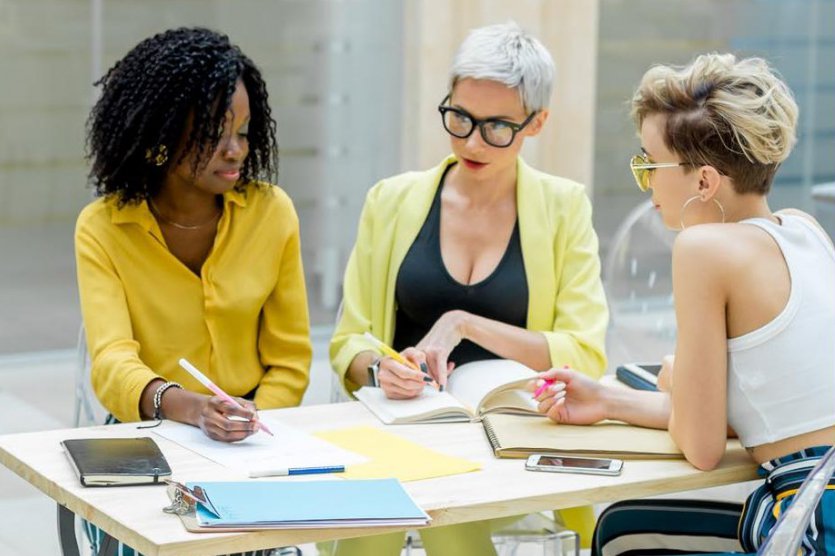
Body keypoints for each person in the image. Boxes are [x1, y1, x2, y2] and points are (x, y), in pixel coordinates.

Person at [535, 53, 835, 555]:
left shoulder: (703, 249)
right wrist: (608, 400)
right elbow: (769, 412)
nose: (647, 183)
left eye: (648, 165)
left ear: (704, 182)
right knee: (626, 526)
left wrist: (677, 379)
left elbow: (700, 447)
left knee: (621, 534)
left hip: (813, 517)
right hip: (818, 491)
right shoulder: (805, 230)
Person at [328, 21, 608, 556]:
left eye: (497, 126)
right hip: (403, 441)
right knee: (421, 518)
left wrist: (463, 323)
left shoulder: (564, 207)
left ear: (537, 122)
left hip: (517, 448)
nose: (471, 141)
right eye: (459, 118)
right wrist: (380, 368)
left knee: (453, 519)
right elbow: (349, 342)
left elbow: (585, 352)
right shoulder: (390, 201)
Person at [76, 25, 311, 556]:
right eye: (214, 133)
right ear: (161, 135)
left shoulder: (273, 215)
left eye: (245, 132)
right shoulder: (103, 227)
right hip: (148, 431)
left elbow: (290, 360)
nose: (235, 152)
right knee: (164, 538)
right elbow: (112, 361)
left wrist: (253, 424)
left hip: (256, 434)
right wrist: (188, 408)